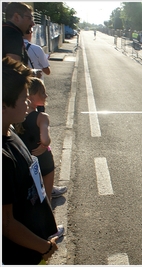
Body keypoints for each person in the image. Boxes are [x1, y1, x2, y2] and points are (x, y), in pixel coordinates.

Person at [2, 56, 59, 265]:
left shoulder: (10, 133)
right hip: (20, 254)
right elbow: (6, 224)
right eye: (23, 97)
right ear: (3, 106)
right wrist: (44, 247)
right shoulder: (3, 159)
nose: (28, 102)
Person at [14, 77, 68, 201]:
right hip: (42, 161)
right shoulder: (42, 117)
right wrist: (45, 145)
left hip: (23, 160)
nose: (46, 95)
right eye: (42, 92)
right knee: (45, 198)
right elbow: (45, 140)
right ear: (31, 96)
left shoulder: (16, 117)